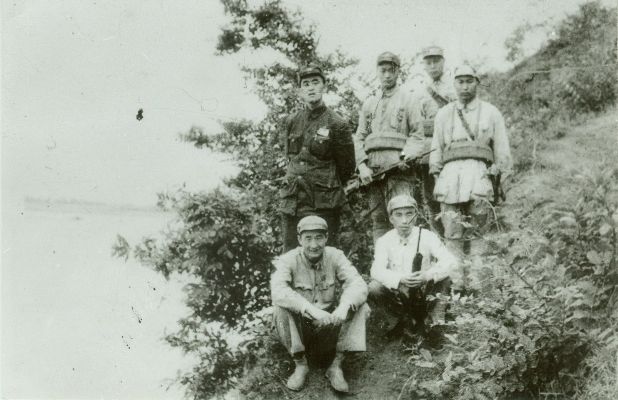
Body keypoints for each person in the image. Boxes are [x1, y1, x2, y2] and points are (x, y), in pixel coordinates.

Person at [271, 216, 370, 392]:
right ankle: (300, 364)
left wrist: (344, 306)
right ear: (299, 239)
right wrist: (309, 309)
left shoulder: (335, 256)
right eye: (308, 238)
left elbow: (358, 284)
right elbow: (278, 290)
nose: (314, 244)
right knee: (280, 308)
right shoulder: (288, 260)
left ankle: (336, 365)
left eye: (318, 237)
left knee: (361, 306)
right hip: (302, 331)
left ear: (326, 238)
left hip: (329, 327)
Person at [429, 65, 513, 256]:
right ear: (454, 84)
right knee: (452, 233)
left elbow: (502, 151)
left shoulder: (491, 112)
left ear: (477, 83)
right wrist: (436, 175)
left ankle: (478, 274)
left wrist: (498, 177)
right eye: (460, 82)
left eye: (469, 81)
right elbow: (436, 148)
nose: (465, 87)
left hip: (480, 176)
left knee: (479, 233)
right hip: (449, 179)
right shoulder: (444, 114)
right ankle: (456, 275)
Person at [279, 64, 355, 252]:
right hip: (292, 202)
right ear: (300, 90)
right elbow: (291, 157)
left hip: (322, 203)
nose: (311, 88)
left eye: (315, 82)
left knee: (325, 256)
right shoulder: (291, 121)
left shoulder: (337, 123)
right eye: (306, 84)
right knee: (290, 256)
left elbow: (346, 167)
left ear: (324, 86)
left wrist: (325, 184)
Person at [368, 194, 458, 341]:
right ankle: (399, 322)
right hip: (400, 293)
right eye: (398, 215)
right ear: (391, 219)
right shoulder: (384, 241)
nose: (404, 220)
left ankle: (434, 324)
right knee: (374, 288)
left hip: (424, 291)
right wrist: (400, 279)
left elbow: (450, 261)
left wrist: (427, 276)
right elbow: (376, 270)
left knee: (445, 279)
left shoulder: (427, 236)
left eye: (409, 214)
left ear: (416, 216)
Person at [354, 52, 422, 243]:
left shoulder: (409, 100)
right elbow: (359, 138)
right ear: (377, 72)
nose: (387, 75)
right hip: (374, 175)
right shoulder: (369, 104)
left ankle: (407, 261)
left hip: (399, 173)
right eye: (383, 71)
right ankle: (382, 261)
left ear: (398, 72)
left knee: (404, 220)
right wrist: (362, 166)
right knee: (379, 222)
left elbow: (417, 135)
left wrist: (407, 156)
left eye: (391, 71)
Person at [411, 46, 457, 232]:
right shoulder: (421, 91)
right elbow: (417, 123)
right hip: (429, 149)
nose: (432, 66)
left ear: (443, 62)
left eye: (436, 61)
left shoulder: (455, 85)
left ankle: (456, 235)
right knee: (431, 197)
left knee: (453, 194)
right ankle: (440, 237)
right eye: (428, 62)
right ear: (424, 65)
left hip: (452, 146)